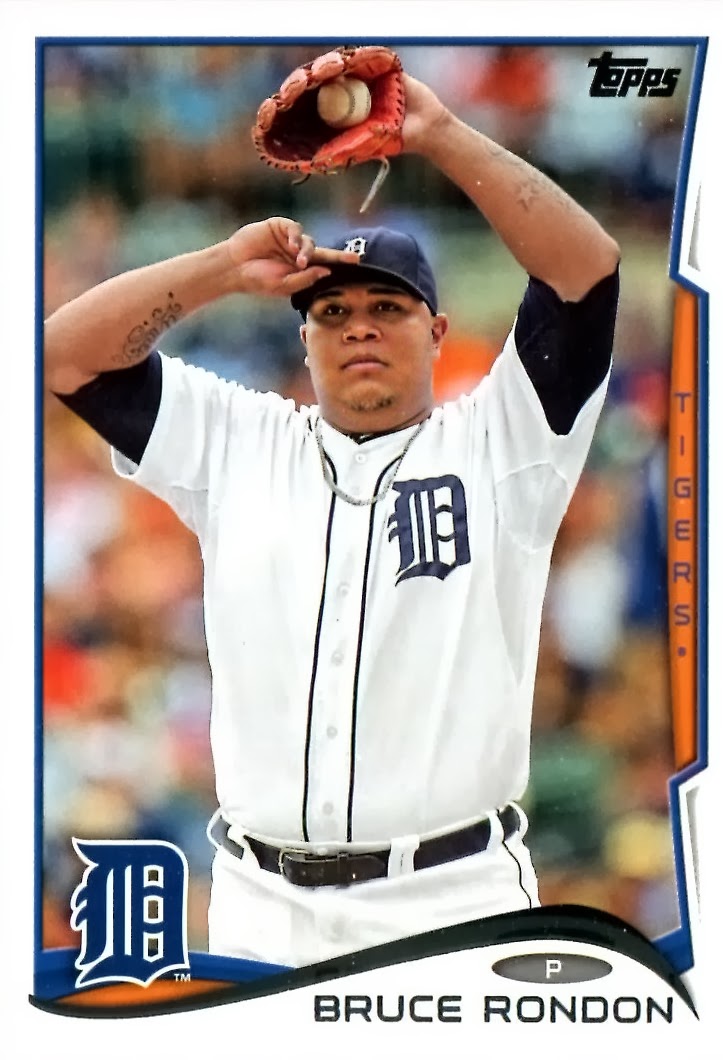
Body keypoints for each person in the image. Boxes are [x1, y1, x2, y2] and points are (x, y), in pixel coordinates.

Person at [45, 70, 620, 968]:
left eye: (387, 307)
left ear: (436, 332)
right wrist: (219, 270)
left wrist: (438, 134)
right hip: (259, 905)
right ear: (303, 339)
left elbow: (585, 271)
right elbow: (63, 357)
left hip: (448, 897)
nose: (358, 327)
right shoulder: (239, 440)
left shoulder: (504, 440)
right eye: (332, 311)